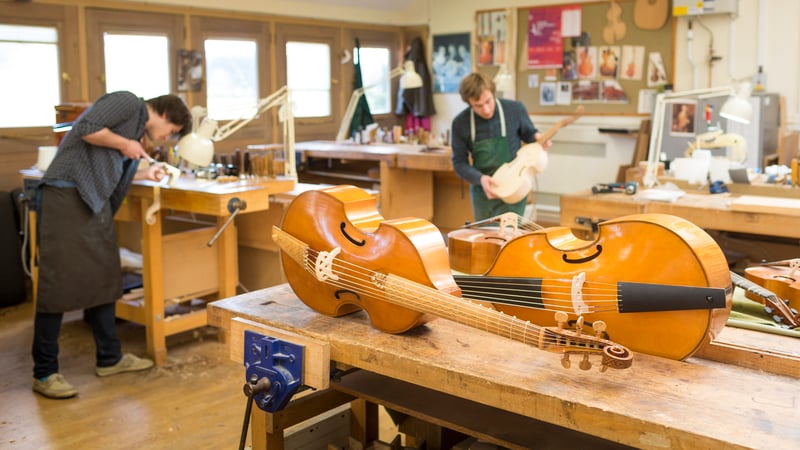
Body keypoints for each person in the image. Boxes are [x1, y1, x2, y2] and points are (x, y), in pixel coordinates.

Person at [32, 91, 193, 399]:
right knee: (58, 282)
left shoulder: (135, 131)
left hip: (90, 201)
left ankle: (110, 358)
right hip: (66, 193)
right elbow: (86, 128)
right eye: (170, 133)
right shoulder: (129, 103)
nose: (164, 139)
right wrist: (125, 145)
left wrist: (146, 169)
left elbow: (106, 164)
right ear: (165, 116)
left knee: (106, 276)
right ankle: (44, 372)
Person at [451, 72, 551, 221]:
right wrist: (480, 179)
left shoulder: (515, 110)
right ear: (469, 103)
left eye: (488, 101)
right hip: (483, 192)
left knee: (511, 238)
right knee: (485, 240)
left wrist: (537, 137)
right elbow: (459, 162)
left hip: (515, 187)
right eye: (478, 106)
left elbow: (529, 134)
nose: (486, 110)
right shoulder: (460, 123)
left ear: (492, 92)